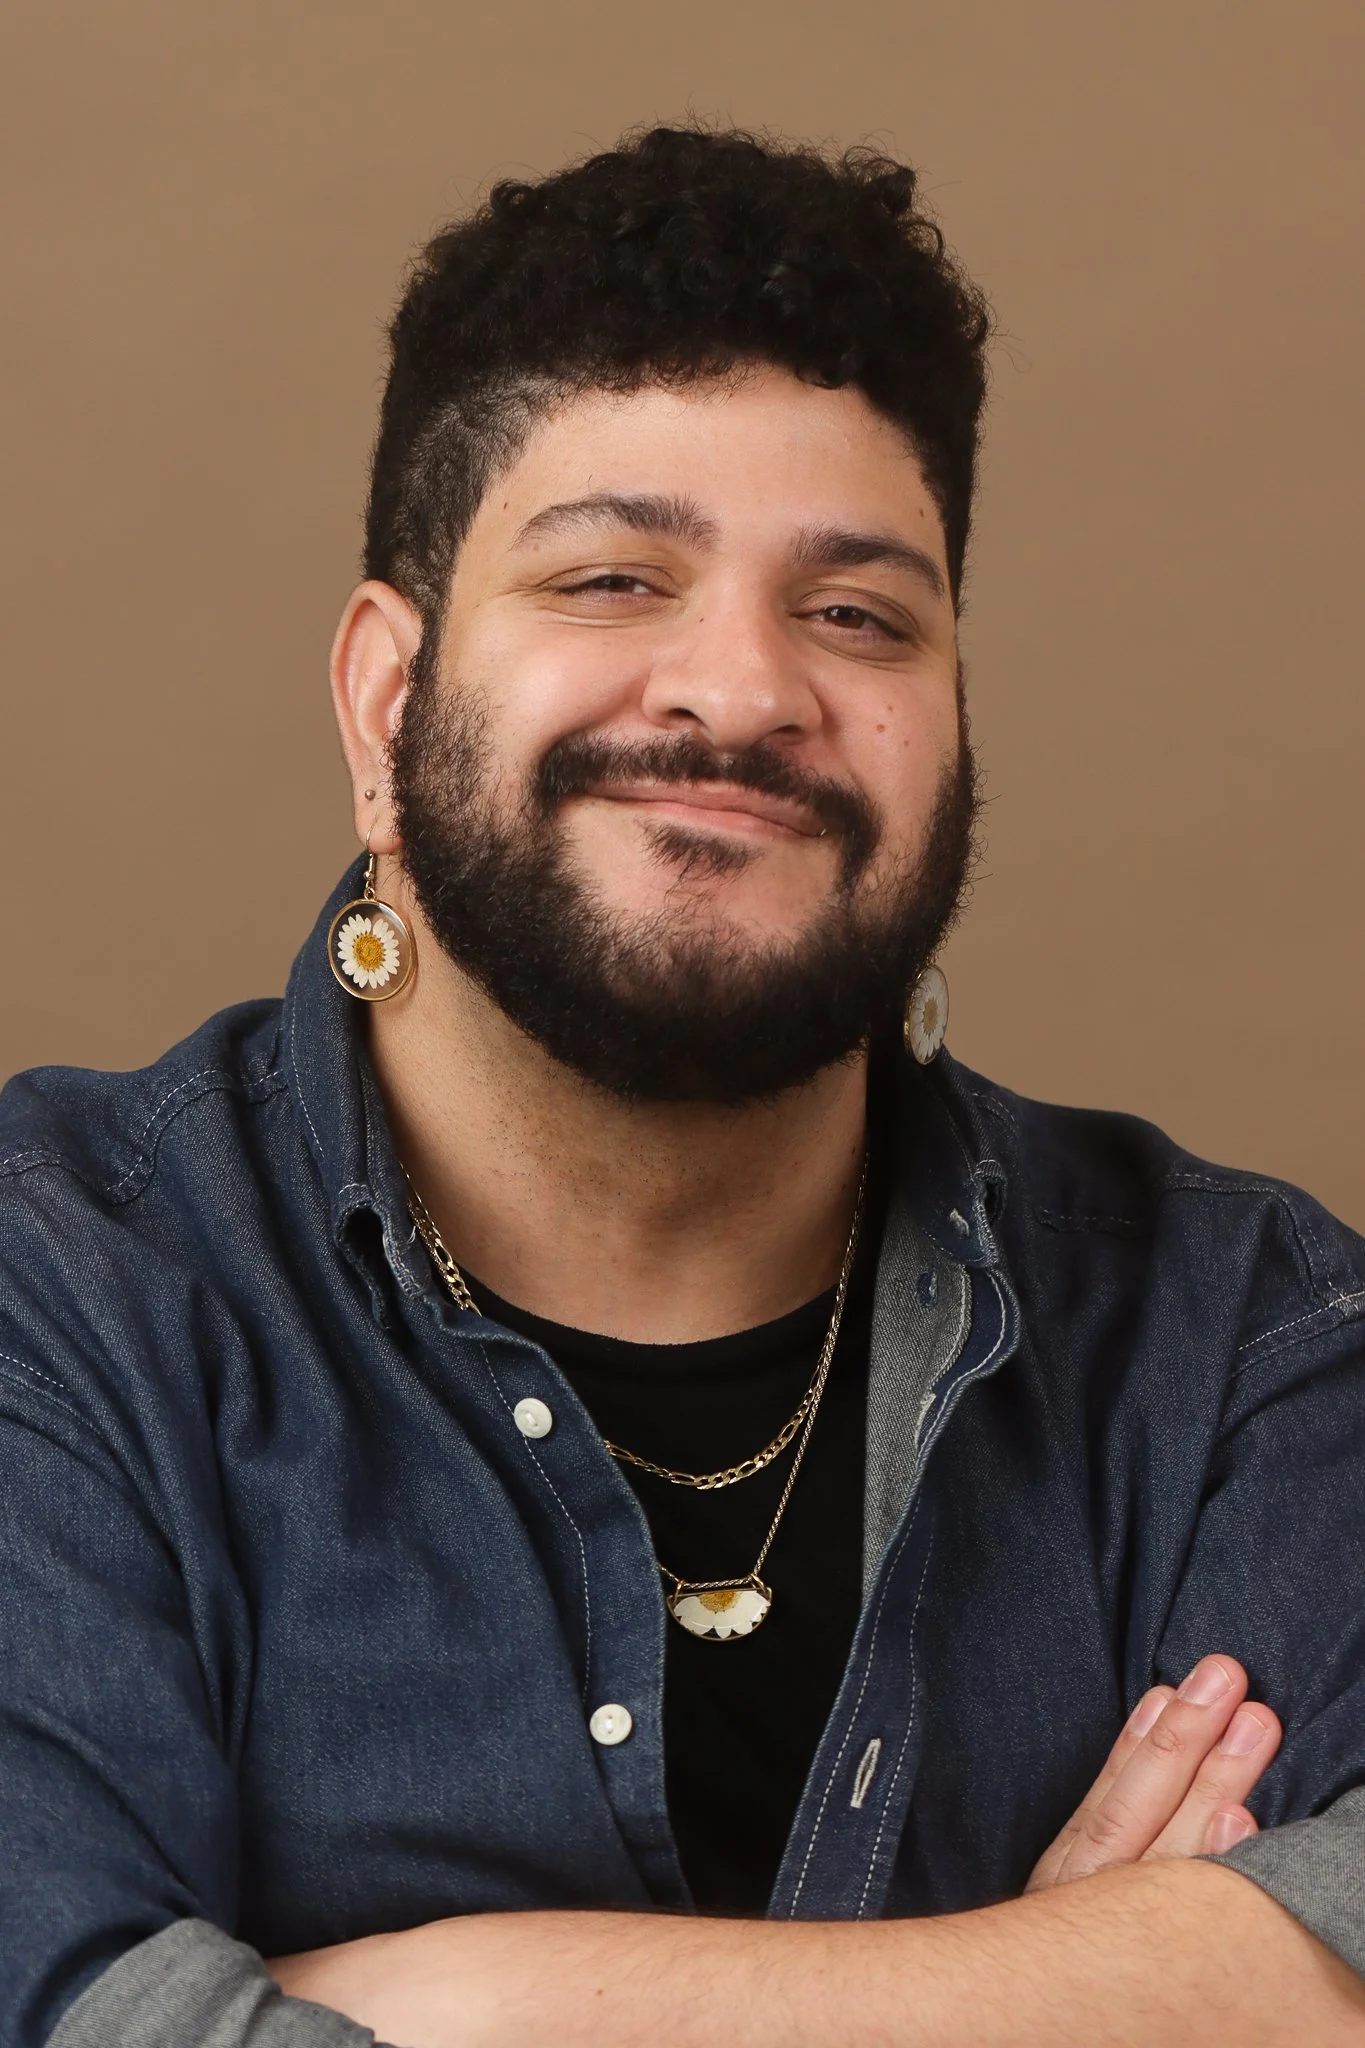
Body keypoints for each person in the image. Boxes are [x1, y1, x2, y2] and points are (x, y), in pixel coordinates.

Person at [2, 125, 1362, 2048]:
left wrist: (458, 2000)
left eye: (859, 614)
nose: (740, 693)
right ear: (388, 706)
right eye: (614, 577)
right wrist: (1128, 1993)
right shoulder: (58, 1306)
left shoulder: (1242, 1346)